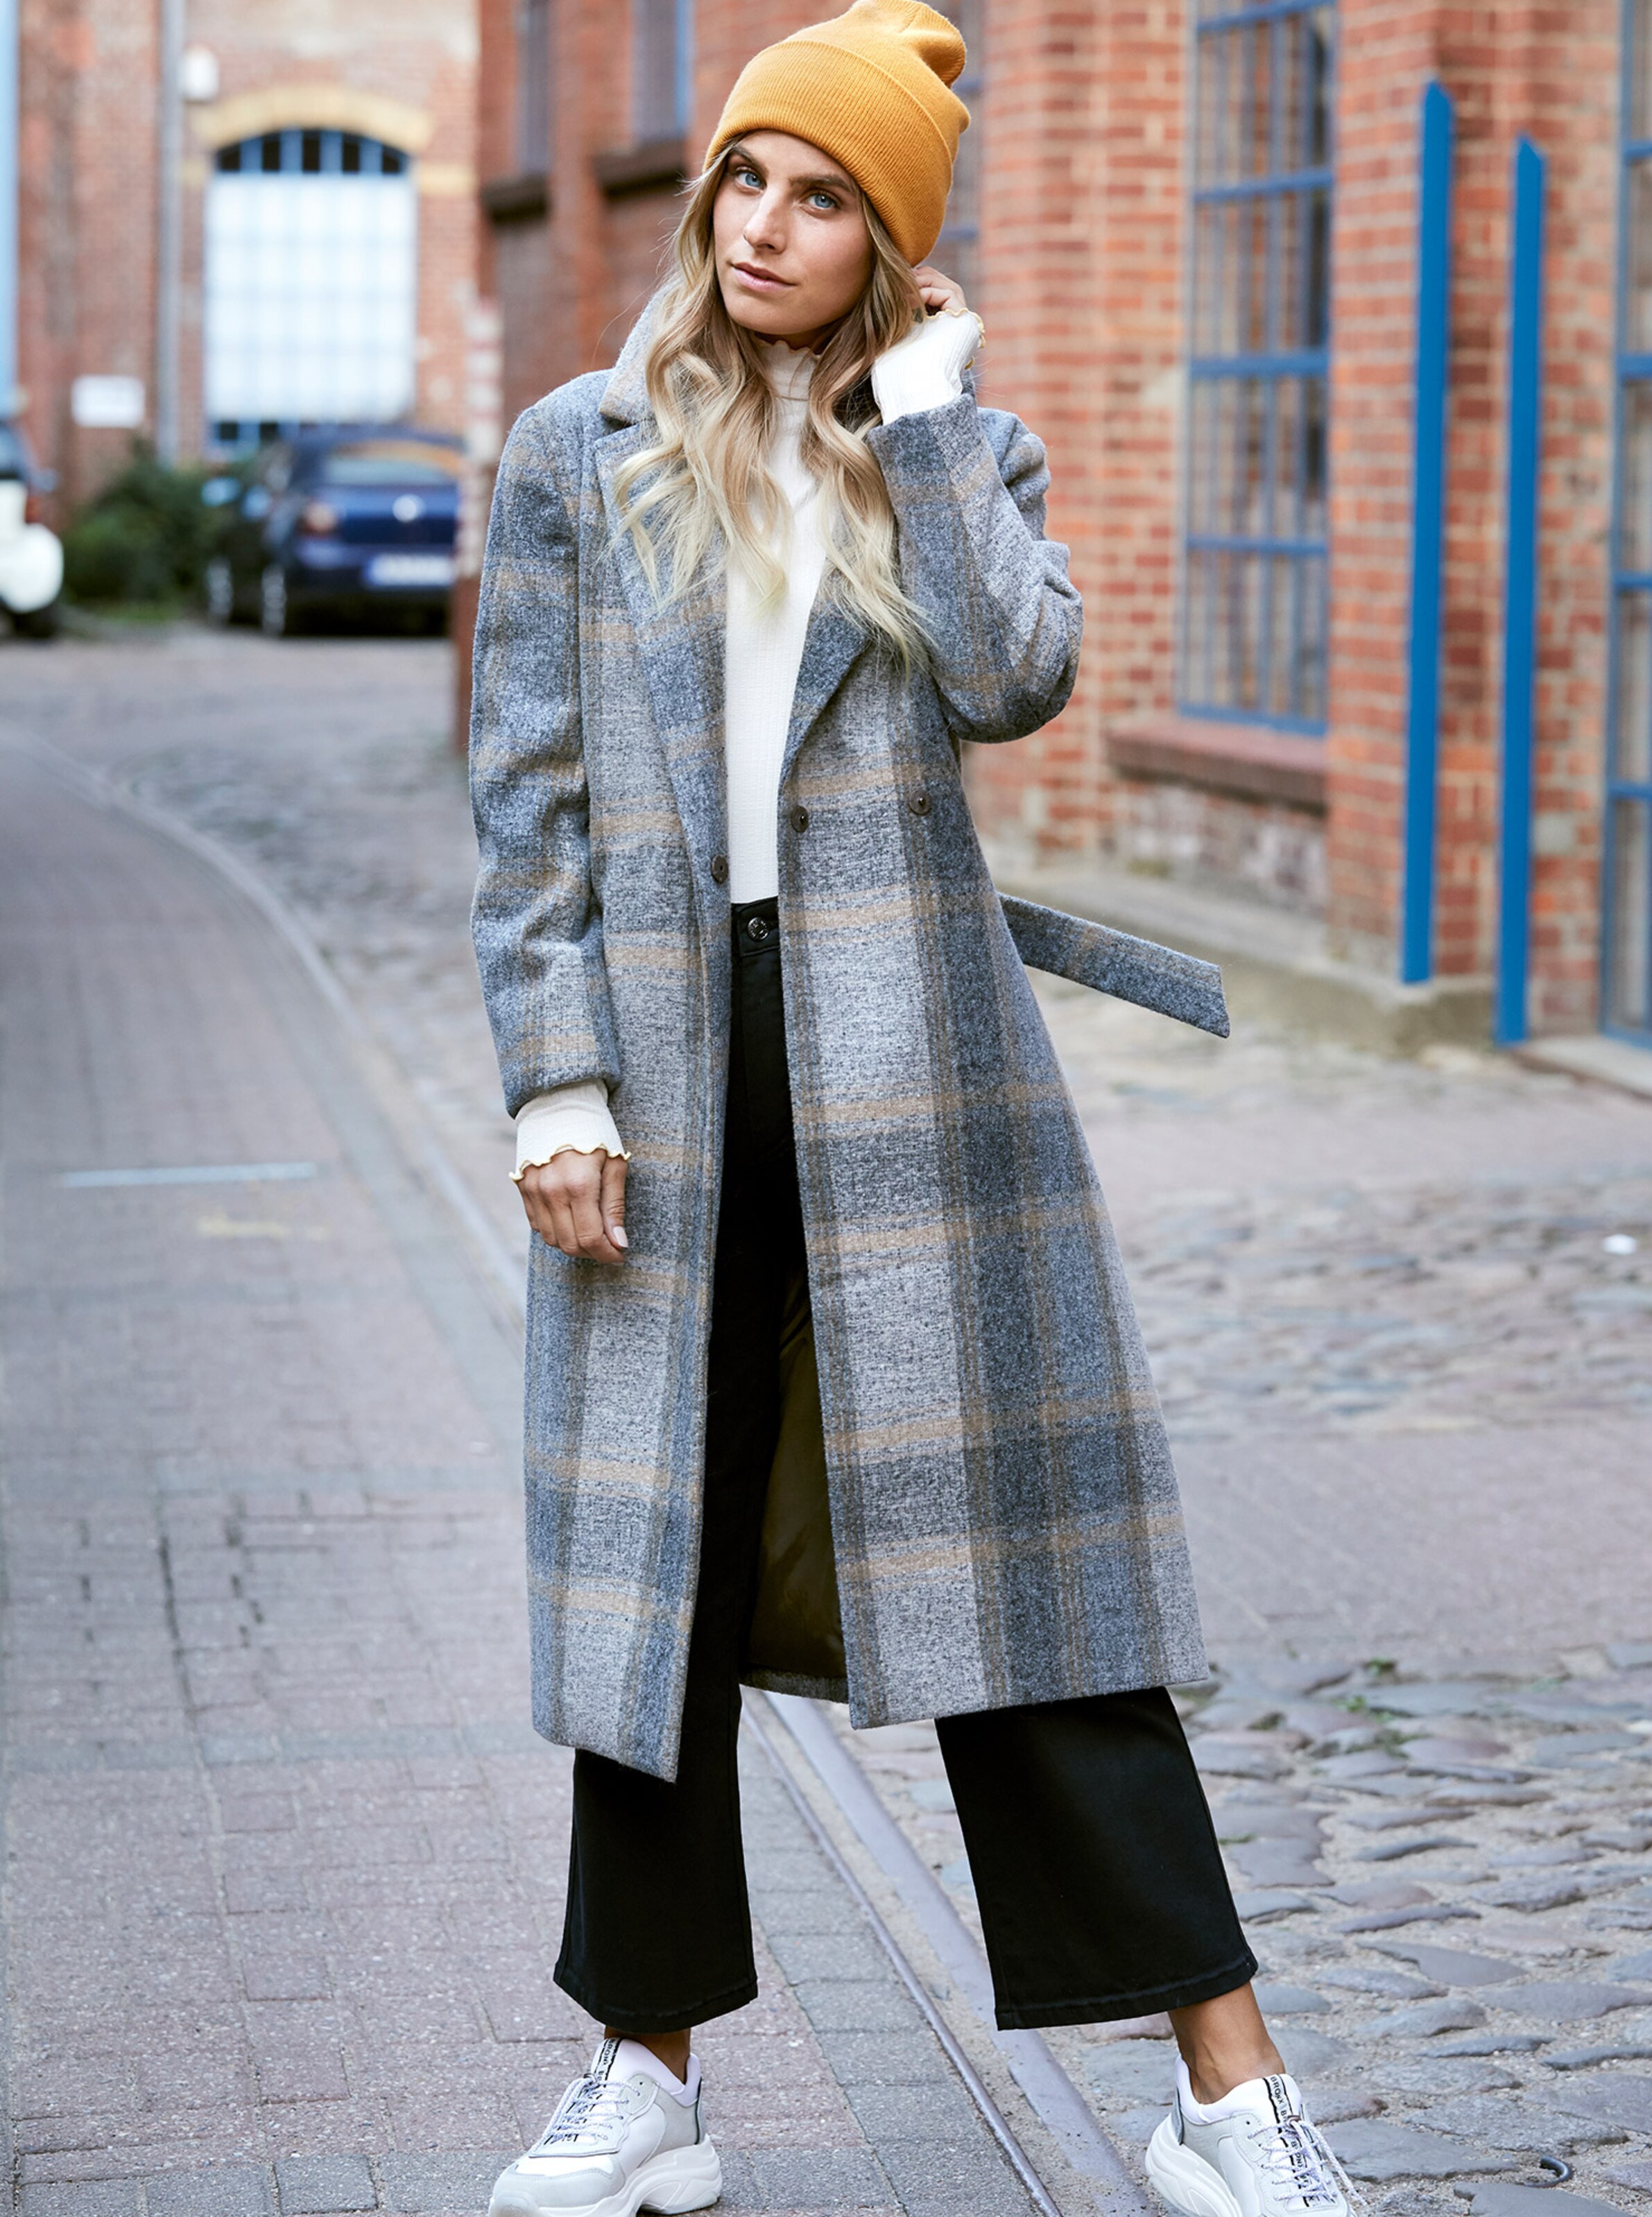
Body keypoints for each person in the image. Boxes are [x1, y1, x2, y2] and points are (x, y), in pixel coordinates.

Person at [469, 6, 1361, 2215]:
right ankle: (645, 2081)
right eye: (749, 182)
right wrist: (556, 1078)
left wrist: (934, 427)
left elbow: (1015, 675)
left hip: (925, 1104)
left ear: (892, 245)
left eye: (826, 200)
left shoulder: (962, 450)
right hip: (665, 1084)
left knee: (1038, 1599)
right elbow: (530, 808)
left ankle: (1228, 2097)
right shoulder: (581, 451)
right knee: (660, 1587)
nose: (768, 227)